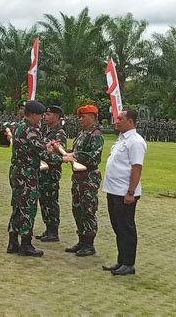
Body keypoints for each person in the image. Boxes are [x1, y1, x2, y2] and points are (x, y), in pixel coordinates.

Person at [7, 100, 63, 257]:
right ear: (32, 115)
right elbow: (42, 153)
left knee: (17, 207)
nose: (41, 118)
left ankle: (13, 241)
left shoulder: (18, 127)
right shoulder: (31, 130)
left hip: (17, 172)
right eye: (40, 115)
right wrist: (63, 159)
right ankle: (25, 244)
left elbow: (33, 146)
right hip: (27, 175)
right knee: (28, 208)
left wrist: (46, 147)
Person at [101, 110, 147, 275]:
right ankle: (121, 261)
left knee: (126, 228)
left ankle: (129, 263)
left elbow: (137, 168)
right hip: (113, 190)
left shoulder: (135, 142)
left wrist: (131, 192)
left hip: (124, 192)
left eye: (120, 119)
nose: (116, 121)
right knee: (118, 227)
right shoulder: (121, 139)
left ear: (131, 122)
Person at [61, 105, 104, 257]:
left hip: (88, 178)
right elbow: (77, 152)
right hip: (78, 177)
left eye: (83, 116)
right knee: (77, 208)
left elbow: (93, 157)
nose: (80, 119)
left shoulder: (96, 135)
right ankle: (81, 240)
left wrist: (74, 156)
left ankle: (89, 243)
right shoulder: (82, 134)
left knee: (88, 209)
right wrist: (66, 153)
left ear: (92, 117)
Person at [35, 105, 67, 242]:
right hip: (43, 172)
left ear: (57, 117)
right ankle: (48, 229)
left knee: (51, 202)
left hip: (51, 173)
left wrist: (43, 151)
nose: (45, 117)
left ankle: (53, 231)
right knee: (44, 201)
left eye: (49, 115)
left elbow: (56, 152)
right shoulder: (47, 132)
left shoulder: (59, 133)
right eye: (45, 115)